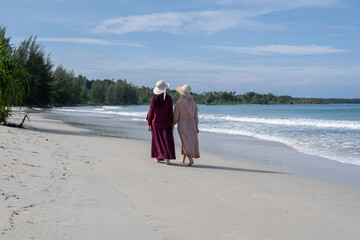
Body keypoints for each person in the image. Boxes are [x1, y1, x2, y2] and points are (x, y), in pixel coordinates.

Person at [146, 80, 176, 165]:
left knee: (157, 141)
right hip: (166, 122)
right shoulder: (169, 98)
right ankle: (167, 157)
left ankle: (159, 157)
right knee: (167, 140)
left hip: (155, 122)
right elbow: (171, 112)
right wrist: (172, 123)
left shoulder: (154, 98)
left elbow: (151, 111)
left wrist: (148, 123)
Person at [173, 85, 199, 166]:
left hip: (183, 124)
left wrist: (172, 124)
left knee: (185, 142)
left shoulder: (179, 103)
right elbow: (196, 116)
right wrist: (197, 126)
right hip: (192, 124)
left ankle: (190, 160)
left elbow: (176, 116)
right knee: (187, 141)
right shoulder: (193, 102)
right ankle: (183, 158)